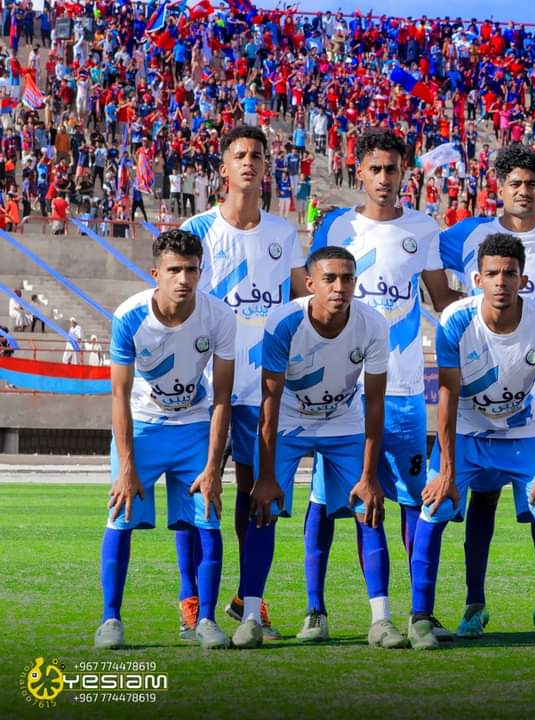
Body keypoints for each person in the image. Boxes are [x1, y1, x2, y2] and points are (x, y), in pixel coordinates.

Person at [310, 129, 461, 641]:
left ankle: (420, 611)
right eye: (374, 168)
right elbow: (309, 296)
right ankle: (322, 611)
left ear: (404, 174)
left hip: (402, 390)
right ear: (360, 172)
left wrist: (495, 301)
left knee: (413, 500)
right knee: (334, 500)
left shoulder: (422, 228)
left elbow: (442, 299)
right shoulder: (337, 226)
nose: (383, 178)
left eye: (391, 169)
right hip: (343, 392)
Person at [439, 144, 535, 634]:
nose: (524, 191)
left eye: (533, 184)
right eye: (515, 183)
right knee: (481, 503)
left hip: (531, 389)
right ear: (499, 188)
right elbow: (419, 254)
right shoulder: (470, 233)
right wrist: (465, 321)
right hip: (479, 386)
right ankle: (474, 603)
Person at [231, 246, 402, 649]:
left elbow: (375, 402)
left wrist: (369, 476)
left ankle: (381, 620)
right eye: (329, 279)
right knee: (263, 510)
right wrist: (266, 477)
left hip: (344, 421)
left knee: (368, 509)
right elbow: (269, 403)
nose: (339, 287)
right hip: (289, 421)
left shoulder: (372, 324)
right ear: (310, 284)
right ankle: (250, 617)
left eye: (347, 279)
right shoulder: (284, 322)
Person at [410, 234, 535, 651]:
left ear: (523, 279)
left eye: (510, 273)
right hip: (466, 433)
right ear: (477, 279)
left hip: (522, 434)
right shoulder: (455, 321)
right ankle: (421, 618)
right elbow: (446, 396)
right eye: (493, 273)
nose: (501, 281)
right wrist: (446, 471)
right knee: (435, 506)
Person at [183, 125, 306, 640]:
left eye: (257, 155)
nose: (249, 162)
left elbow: (298, 304)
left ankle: (248, 599)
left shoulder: (282, 233)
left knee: (258, 494)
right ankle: (192, 600)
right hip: (205, 387)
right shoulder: (198, 229)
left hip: (262, 389)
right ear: (224, 168)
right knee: (198, 490)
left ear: (266, 167)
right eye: (240, 155)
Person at [94, 229, 235, 650]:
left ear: (200, 272)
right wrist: (126, 466)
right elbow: (119, 395)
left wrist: (213, 467)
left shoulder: (218, 316)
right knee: (120, 517)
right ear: (156, 273)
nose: (183, 279)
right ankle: (110, 620)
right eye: (174, 270)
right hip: (143, 428)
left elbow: (223, 398)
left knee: (207, 518)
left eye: (191, 270)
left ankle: (206, 620)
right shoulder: (129, 316)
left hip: (193, 427)